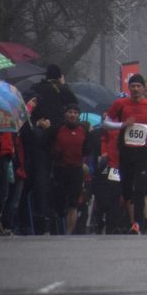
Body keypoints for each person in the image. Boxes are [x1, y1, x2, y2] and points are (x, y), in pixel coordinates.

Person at [103, 73, 147, 234]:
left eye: (138, 86)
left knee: (140, 185)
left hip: (142, 151)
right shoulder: (120, 104)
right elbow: (106, 123)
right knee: (127, 188)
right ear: (129, 88)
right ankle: (135, 220)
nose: (135, 89)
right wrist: (122, 125)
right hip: (125, 151)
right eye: (133, 86)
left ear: (143, 88)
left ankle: (138, 223)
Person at [29, 63, 78, 233]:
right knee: (58, 176)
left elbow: (26, 108)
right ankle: (58, 212)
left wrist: (37, 122)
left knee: (41, 175)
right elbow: (74, 105)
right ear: (59, 77)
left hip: (38, 139)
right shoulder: (62, 90)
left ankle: (41, 215)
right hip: (59, 139)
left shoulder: (35, 89)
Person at [52, 104, 89, 234]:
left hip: (76, 169)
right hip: (60, 169)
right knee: (59, 202)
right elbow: (46, 146)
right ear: (65, 114)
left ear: (78, 115)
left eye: (75, 112)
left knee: (74, 203)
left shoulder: (83, 130)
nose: (72, 115)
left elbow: (87, 149)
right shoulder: (57, 129)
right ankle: (57, 229)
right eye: (70, 112)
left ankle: (68, 232)